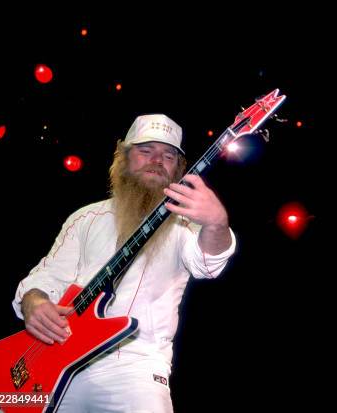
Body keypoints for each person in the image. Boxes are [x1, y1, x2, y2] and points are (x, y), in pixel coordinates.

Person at [12, 113, 236, 412]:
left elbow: (208, 264)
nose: (157, 160)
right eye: (146, 151)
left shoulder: (185, 223)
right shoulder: (84, 218)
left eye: (168, 155)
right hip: (57, 357)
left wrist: (216, 224)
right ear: (123, 158)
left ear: (179, 169)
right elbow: (46, 278)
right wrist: (35, 303)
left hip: (136, 367)